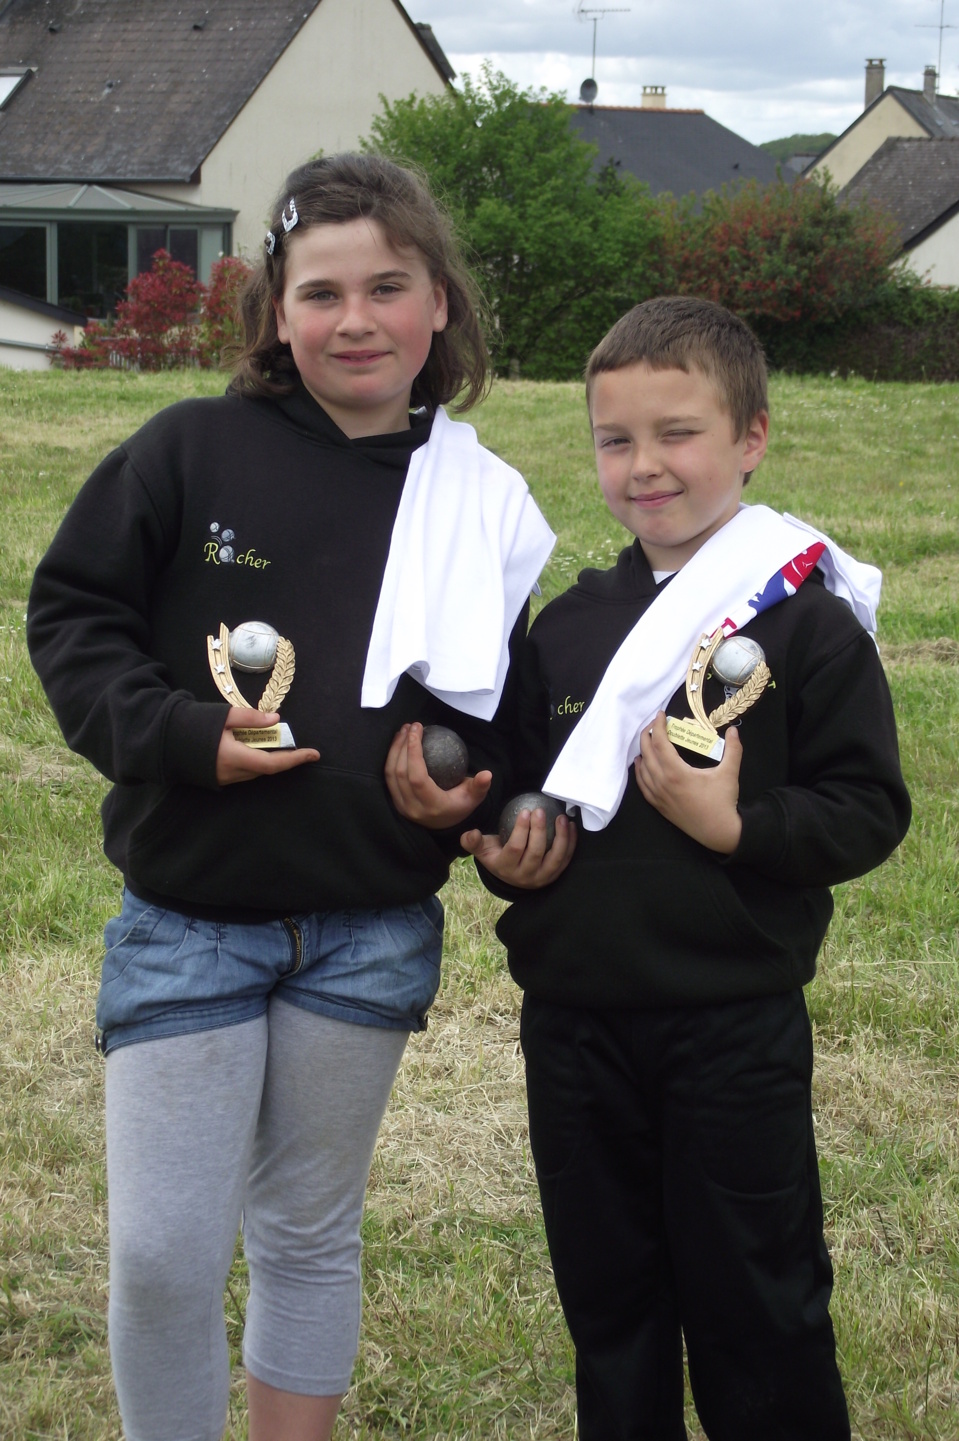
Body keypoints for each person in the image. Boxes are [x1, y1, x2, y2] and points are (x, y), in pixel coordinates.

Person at [27, 153, 553, 1441]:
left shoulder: (477, 501)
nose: (356, 318)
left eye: (389, 286)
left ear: (440, 306)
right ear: (274, 312)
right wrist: (181, 736)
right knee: (162, 1254)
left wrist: (468, 802)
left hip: (367, 923)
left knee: (309, 1235)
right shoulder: (190, 450)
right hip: (190, 918)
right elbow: (74, 615)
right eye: (321, 292)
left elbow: (502, 714)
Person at [460, 297, 911, 1440]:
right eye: (615, 440)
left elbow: (866, 810)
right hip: (571, 1025)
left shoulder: (804, 622)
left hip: (730, 1026)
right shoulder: (564, 625)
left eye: (678, 433)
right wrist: (506, 856)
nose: (644, 465)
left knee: (755, 1303)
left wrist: (733, 830)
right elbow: (527, 798)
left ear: (750, 437)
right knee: (610, 1309)